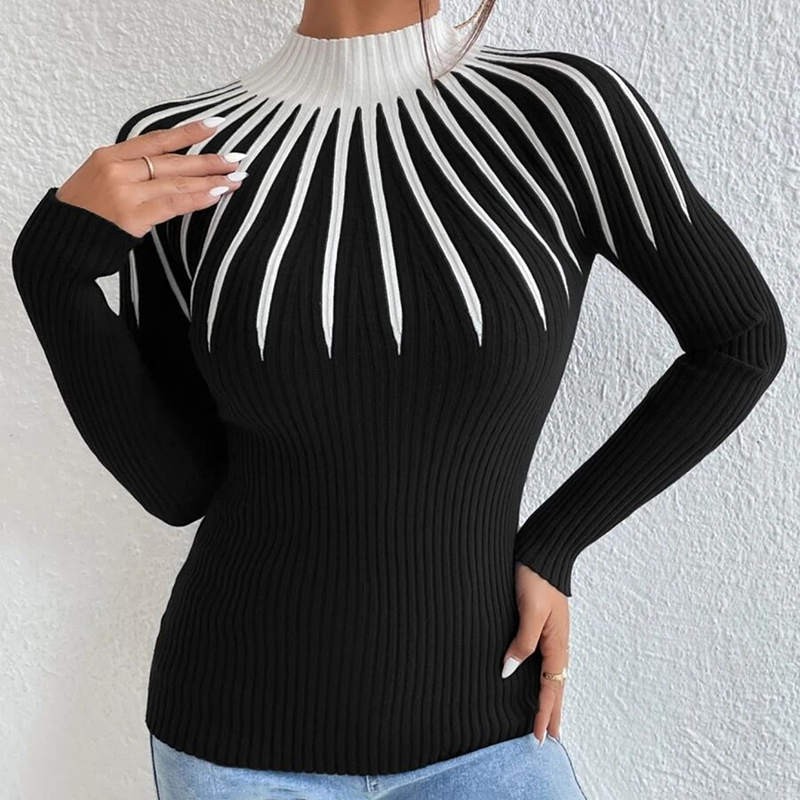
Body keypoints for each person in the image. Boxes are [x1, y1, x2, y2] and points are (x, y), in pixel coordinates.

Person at [11, 0, 786, 798]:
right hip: (233, 741)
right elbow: (180, 487)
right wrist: (54, 271)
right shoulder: (182, 149)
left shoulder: (561, 114)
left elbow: (741, 339)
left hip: (492, 741)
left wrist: (557, 541)